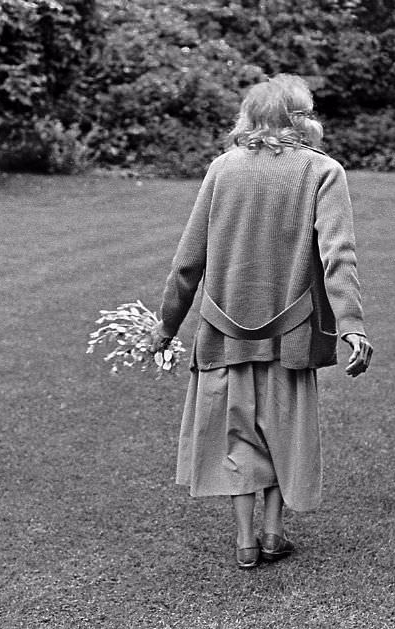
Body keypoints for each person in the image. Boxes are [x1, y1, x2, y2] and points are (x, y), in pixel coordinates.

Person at [150, 74, 373, 570]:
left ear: (249, 119)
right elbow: (339, 256)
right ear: (302, 121)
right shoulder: (323, 171)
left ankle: (246, 540)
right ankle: (273, 534)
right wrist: (351, 323)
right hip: (291, 333)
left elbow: (188, 263)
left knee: (239, 433)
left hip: (221, 330)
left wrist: (166, 326)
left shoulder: (221, 170)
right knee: (281, 430)